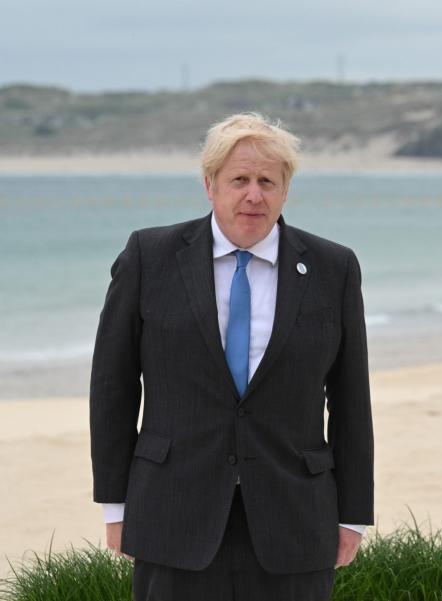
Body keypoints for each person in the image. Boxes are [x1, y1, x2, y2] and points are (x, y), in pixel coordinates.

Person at [89, 113, 374, 601]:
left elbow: (351, 399)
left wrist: (352, 514)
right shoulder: (149, 257)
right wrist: (115, 505)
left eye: (268, 181)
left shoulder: (334, 267)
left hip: (296, 517)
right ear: (210, 185)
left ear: (286, 190)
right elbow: (113, 386)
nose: (253, 195)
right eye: (239, 179)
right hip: (172, 511)